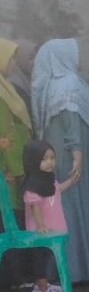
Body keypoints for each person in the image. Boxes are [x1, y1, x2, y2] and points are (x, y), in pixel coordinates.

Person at [30, 39, 89, 284]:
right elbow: (70, 123)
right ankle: (76, 269)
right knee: (71, 211)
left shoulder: (51, 85)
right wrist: (77, 154)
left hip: (59, 157)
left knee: (61, 211)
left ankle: (62, 269)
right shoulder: (67, 84)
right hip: (71, 159)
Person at [22, 139, 78, 292]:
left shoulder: (48, 180)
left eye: (52, 158)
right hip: (41, 230)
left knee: (46, 256)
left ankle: (41, 286)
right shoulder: (33, 184)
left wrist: (71, 181)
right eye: (44, 159)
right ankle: (43, 290)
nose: (50, 162)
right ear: (33, 160)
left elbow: (57, 189)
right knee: (40, 257)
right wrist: (41, 225)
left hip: (51, 227)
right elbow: (35, 206)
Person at [0, 40, 35, 219]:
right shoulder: (1, 95)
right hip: (11, 168)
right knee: (11, 221)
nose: (13, 64)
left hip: (17, 163)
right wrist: (21, 171)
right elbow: (5, 136)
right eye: (9, 59)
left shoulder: (6, 88)